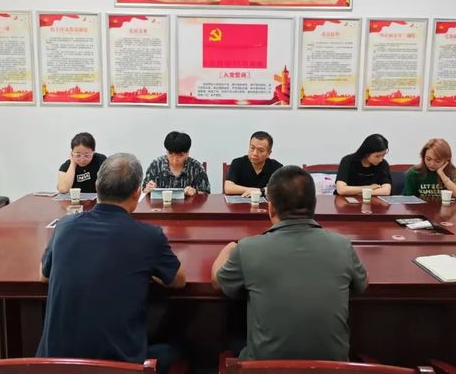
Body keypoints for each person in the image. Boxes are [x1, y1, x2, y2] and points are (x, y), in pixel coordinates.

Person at [38, 153, 186, 374]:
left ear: (97, 186)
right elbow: (178, 281)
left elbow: (44, 275)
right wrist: (149, 271)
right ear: (137, 193)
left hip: (54, 366)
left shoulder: (65, 226)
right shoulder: (148, 236)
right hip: (119, 367)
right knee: (178, 347)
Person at [212, 166, 367, 361]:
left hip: (264, 369)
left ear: (270, 208)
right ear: (314, 204)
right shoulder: (342, 245)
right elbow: (362, 285)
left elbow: (218, 282)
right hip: (334, 369)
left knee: (233, 336)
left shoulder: (248, 248)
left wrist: (227, 250)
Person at [142, 131, 210, 196]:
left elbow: (206, 194)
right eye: (171, 154)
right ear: (166, 151)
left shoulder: (196, 167)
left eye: (180, 155)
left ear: (187, 152)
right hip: (161, 204)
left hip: (189, 204)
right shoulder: (156, 165)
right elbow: (144, 190)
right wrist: (147, 189)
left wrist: (195, 192)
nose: (174, 160)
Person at [224, 131, 283, 197]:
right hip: (240, 202)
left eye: (260, 150)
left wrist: (261, 191)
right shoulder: (237, 163)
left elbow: (282, 188)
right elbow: (228, 188)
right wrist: (253, 191)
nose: (254, 153)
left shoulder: (276, 167)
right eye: (252, 148)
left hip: (266, 203)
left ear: (269, 153)